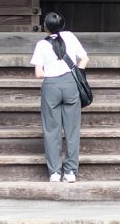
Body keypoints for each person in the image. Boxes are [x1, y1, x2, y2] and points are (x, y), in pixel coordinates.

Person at [30, 12, 88, 183]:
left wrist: (52, 71)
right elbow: (84, 59)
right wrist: (77, 73)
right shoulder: (70, 36)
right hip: (71, 84)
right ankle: (71, 172)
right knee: (72, 129)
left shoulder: (41, 44)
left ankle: (55, 172)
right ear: (62, 25)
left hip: (51, 86)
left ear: (45, 27)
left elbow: (39, 74)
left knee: (51, 129)